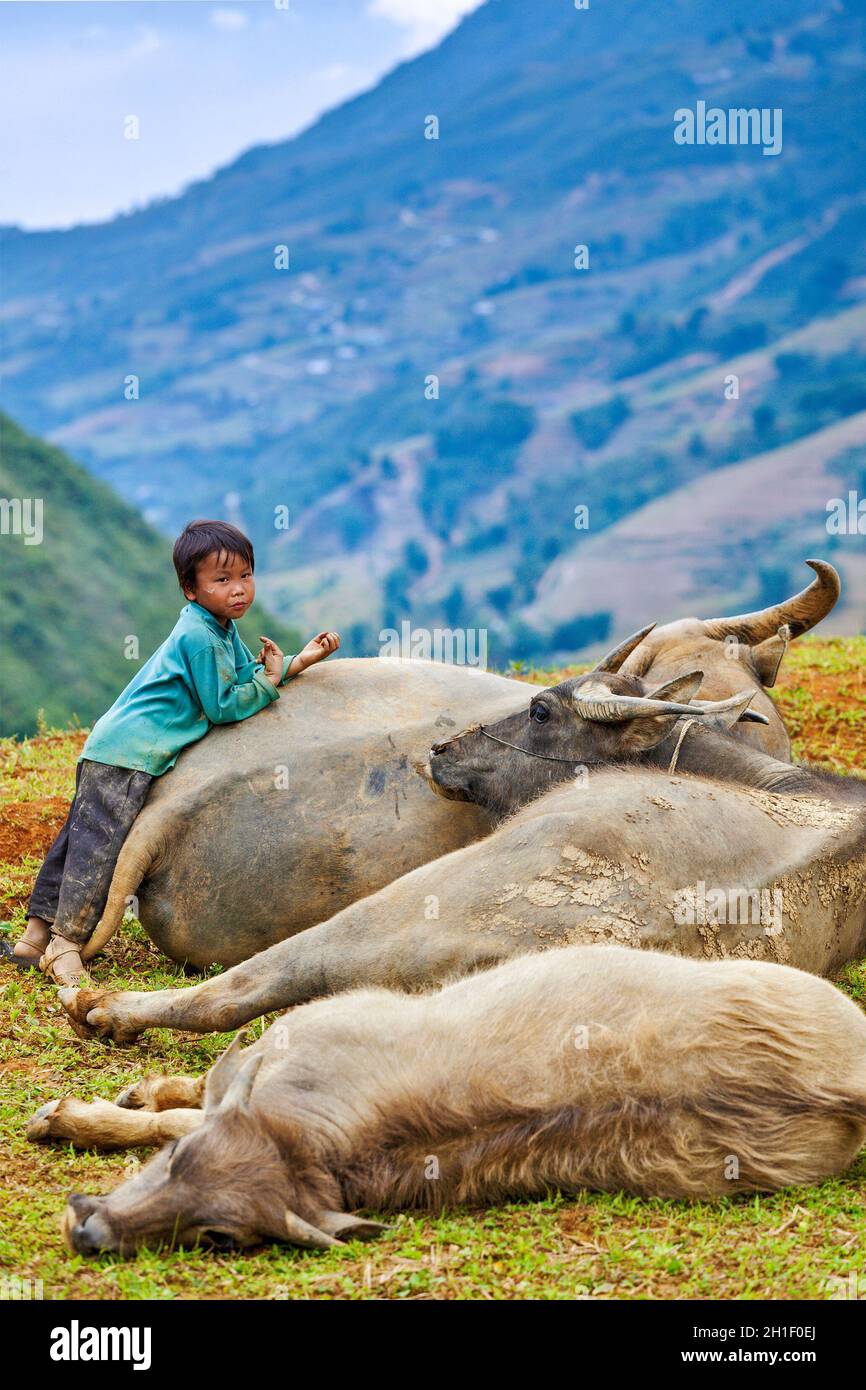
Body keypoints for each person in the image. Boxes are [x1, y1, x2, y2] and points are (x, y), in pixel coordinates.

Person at [2, 519, 339, 987]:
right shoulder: (200, 637)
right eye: (222, 580)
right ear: (190, 589)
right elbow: (224, 706)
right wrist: (265, 683)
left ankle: (33, 938)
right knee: (99, 850)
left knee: (76, 841)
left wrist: (296, 663)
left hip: (113, 747)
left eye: (245, 575)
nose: (238, 589)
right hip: (128, 755)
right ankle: (65, 946)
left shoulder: (217, 627)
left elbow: (245, 675)